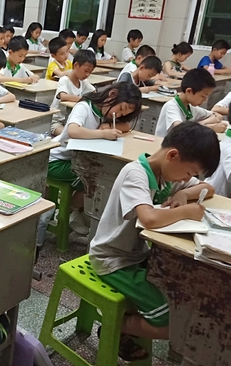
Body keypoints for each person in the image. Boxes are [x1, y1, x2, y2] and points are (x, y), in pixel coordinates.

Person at [89, 122, 219, 357]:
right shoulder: (135, 173)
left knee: (186, 288)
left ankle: (132, 316)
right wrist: (185, 211)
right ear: (172, 155)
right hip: (113, 260)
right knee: (173, 322)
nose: (187, 179)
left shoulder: (169, 173)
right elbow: (149, 219)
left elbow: (208, 188)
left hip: (138, 255)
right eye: (189, 173)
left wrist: (183, 193)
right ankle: (114, 325)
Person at [48, 82, 142, 236]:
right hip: (56, 160)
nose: (119, 115)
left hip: (76, 160)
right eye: (120, 109)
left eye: (122, 114)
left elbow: (126, 126)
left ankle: (74, 210)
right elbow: (73, 131)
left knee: (101, 176)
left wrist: (107, 126)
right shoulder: (84, 107)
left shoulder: (104, 113)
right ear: (112, 94)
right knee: (95, 181)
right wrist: (103, 133)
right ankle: (68, 211)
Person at [154, 68, 226, 137]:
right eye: (203, 96)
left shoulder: (190, 108)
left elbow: (217, 116)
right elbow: (180, 130)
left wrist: (201, 123)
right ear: (189, 91)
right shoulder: (171, 107)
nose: (205, 100)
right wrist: (211, 128)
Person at [50, 49, 97, 136]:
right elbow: (64, 96)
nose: (87, 75)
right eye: (86, 71)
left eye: (90, 72)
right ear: (76, 65)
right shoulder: (64, 80)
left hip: (72, 122)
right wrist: (84, 99)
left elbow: (95, 93)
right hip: (57, 123)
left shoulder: (83, 82)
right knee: (71, 135)